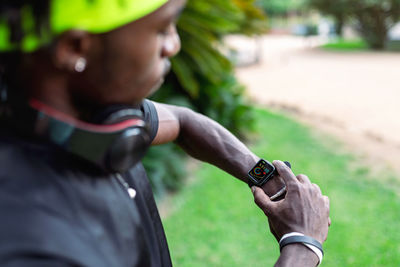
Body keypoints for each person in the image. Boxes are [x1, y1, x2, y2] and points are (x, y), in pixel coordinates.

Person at [0, 0, 330, 266]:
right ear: (75, 47)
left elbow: (184, 122)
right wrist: (302, 246)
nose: (174, 45)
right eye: (162, 29)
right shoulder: (34, 243)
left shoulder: (90, 117)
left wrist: (268, 180)